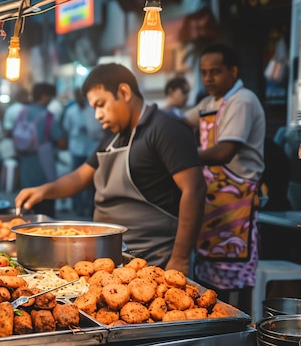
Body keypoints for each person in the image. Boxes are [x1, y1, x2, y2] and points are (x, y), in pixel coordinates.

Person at [15, 64, 207, 273]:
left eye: (101, 104)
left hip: (152, 259)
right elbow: (81, 176)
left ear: (124, 92)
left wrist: (180, 259)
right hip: (109, 256)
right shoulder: (113, 134)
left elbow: (194, 190)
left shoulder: (165, 129)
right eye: (94, 108)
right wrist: (44, 191)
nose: (97, 115)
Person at [182, 43, 265, 312]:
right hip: (212, 201)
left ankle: (235, 330)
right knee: (207, 282)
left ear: (233, 70)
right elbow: (182, 121)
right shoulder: (209, 102)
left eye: (215, 72)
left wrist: (183, 156)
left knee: (231, 285)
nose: (208, 78)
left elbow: (224, 152)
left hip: (236, 203)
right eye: (204, 72)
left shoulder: (242, 100)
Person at [13, 83, 67, 218]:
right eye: (50, 96)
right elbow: (61, 142)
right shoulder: (48, 116)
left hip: (26, 165)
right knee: (45, 208)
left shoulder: (23, 111)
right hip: (43, 167)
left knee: (27, 205)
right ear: (44, 96)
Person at [62, 88, 104, 217]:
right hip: (77, 149)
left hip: (91, 149)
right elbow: (66, 128)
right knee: (76, 178)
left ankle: (90, 207)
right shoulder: (71, 111)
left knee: (92, 181)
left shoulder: (92, 110)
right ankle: (78, 208)